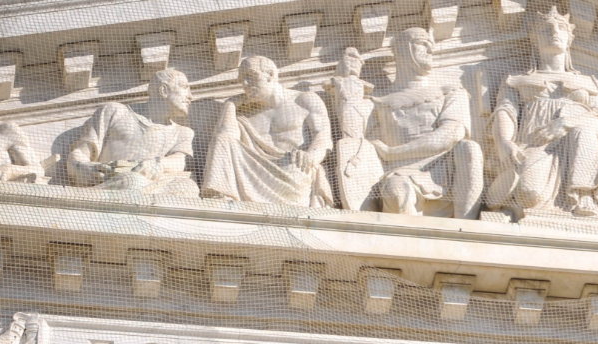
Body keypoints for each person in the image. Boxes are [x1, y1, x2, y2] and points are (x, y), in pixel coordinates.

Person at [485, 7, 598, 227]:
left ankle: (584, 194)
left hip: (582, 151)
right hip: (535, 146)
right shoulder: (516, 80)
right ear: (533, 37)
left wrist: (566, 123)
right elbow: (506, 113)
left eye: (560, 27)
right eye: (545, 28)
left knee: (583, 130)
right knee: (529, 194)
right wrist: (505, 143)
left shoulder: (590, 83)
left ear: (570, 38)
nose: (554, 32)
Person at [365, 28, 483, 218]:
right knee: (396, 195)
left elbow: (451, 135)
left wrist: (391, 152)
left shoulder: (451, 92)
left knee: (470, 148)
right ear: (403, 49)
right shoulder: (378, 102)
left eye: (432, 46)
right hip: (401, 172)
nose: (430, 51)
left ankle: (465, 227)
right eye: (422, 44)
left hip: (446, 168)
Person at [202, 55, 334, 207]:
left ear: (270, 75)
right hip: (251, 172)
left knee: (296, 170)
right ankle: (220, 198)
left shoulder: (303, 100)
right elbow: (225, 141)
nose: (245, 84)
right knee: (222, 140)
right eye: (242, 79)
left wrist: (311, 156)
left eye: (251, 76)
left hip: (292, 170)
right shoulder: (243, 112)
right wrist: (230, 105)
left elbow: (323, 135)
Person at [66, 68, 199, 196]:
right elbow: (80, 153)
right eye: (184, 87)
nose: (190, 96)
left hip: (153, 186)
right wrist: (84, 168)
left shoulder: (183, 132)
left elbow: (180, 161)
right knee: (132, 181)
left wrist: (157, 165)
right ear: (163, 90)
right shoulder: (115, 112)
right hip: (113, 181)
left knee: (188, 187)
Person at [324, 47, 378, 210]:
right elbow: (325, 84)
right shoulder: (339, 80)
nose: (354, 65)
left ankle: (355, 142)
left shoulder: (361, 82)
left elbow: (371, 87)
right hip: (345, 107)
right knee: (347, 126)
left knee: (358, 128)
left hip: (358, 109)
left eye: (357, 63)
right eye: (350, 61)